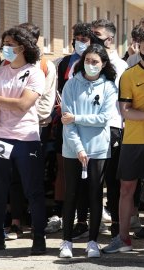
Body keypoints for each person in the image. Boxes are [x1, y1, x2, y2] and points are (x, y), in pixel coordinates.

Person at [0, 27, 47, 255]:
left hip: (26, 140)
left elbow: (24, 104)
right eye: (3, 43)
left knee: (32, 190)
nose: (4, 47)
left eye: (9, 43)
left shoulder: (34, 73)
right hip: (1, 139)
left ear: (22, 48)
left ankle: (39, 237)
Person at [102, 28, 144, 256]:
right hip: (131, 140)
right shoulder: (129, 75)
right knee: (126, 189)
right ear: (137, 48)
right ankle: (123, 238)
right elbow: (125, 111)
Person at [58, 44, 117, 258]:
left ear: (103, 65)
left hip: (99, 149)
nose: (90, 65)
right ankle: (66, 241)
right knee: (71, 194)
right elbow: (67, 120)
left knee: (94, 195)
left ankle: (92, 241)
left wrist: (78, 118)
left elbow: (103, 119)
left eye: (95, 62)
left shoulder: (109, 87)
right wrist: (79, 148)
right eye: (87, 61)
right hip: (73, 149)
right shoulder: (71, 85)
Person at [3, 22, 57, 239]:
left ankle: (37, 226)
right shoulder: (6, 64)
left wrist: (33, 117)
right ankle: (15, 220)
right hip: (8, 131)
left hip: (36, 129)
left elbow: (46, 101)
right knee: (13, 177)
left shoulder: (45, 66)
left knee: (35, 179)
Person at [52, 22, 96, 240]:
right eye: (78, 38)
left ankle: (83, 219)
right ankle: (61, 214)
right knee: (64, 171)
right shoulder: (63, 63)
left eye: (85, 39)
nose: (80, 43)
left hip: (89, 126)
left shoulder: (96, 63)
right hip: (65, 122)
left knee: (88, 174)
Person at [91, 18, 128, 237]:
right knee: (92, 181)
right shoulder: (86, 62)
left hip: (112, 127)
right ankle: (92, 226)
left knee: (112, 181)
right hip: (88, 127)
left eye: (97, 34)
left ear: (110, 39)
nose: (93, 38)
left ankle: (116, 226)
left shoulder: (121, 66)